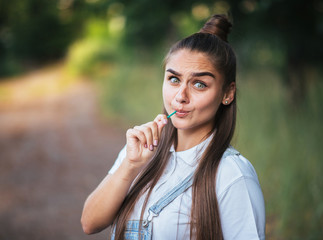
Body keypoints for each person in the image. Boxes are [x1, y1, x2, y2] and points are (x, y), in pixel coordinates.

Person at [81, 14, 265, 240]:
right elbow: (89, 223)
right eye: (174, 79)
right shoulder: (141, 151)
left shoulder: (233, 176)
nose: (181, 96)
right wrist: (130, 165)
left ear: (227, 93)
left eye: (199, 84)